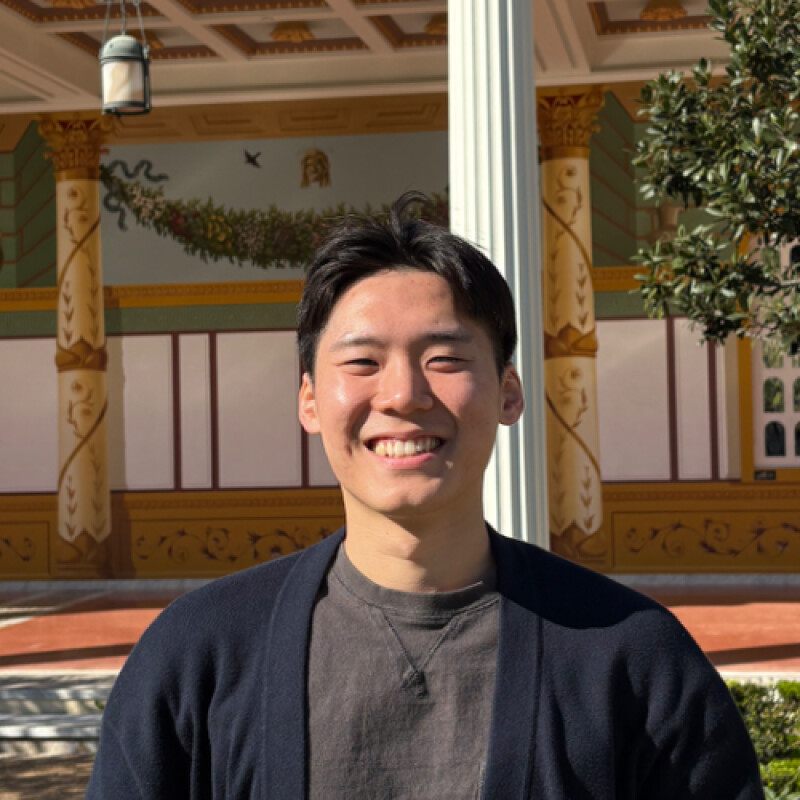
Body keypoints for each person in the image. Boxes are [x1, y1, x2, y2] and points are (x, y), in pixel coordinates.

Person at [86, 192, 763, 799]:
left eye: (445, 359)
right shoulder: (199, 654)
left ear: (508, 392)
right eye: (362, 362)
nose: (404, 395)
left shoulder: (631, 657)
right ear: (309, 400)